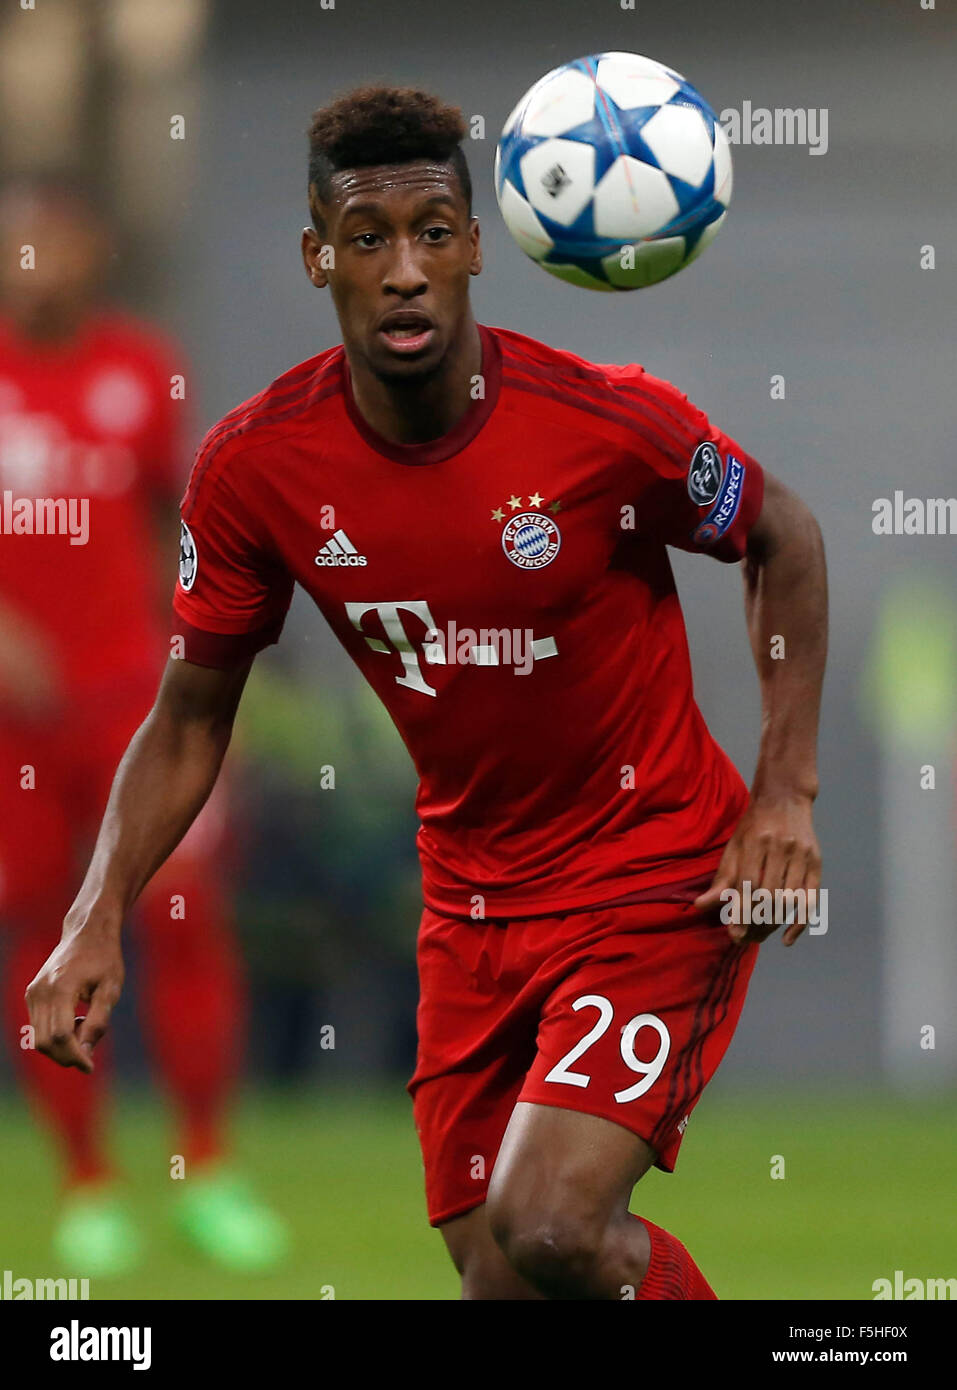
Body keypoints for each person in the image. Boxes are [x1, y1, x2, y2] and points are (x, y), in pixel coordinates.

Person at [25, 88, 827, 1299]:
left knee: (552, 1221)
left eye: (434, 233)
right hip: (472, 899)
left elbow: (788, 536)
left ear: (475, 246)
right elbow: (191, 713)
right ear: (316, 258)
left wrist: (783, 797)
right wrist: (96, 912)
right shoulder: (255, 469)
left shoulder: (603, 425)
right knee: (501, 1272)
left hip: (653, 865)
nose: (404, 270)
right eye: (368, 239)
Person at [0, 177, 286, 1276]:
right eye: (16, 244)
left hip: (134, 703)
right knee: (34, 923)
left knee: (180, 912)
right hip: (14, 726)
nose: (33, 262)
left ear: (91, 251)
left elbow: (195, 532)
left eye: (50, 242)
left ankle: (206, 1168)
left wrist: (216, 690)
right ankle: (86, 1186)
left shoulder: (140, 370)